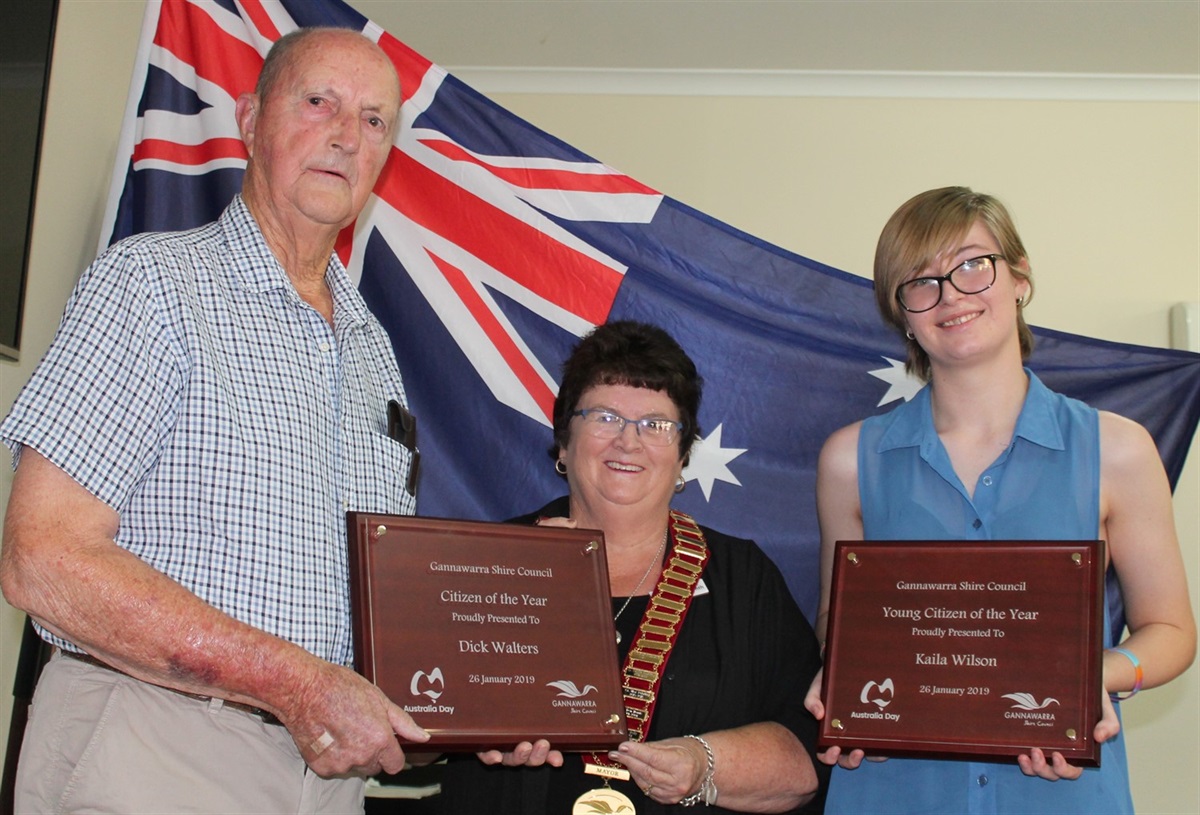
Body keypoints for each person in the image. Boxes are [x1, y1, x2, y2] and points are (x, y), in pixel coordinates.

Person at [0, 27, 429, 813]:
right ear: (250, 117)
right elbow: (43, 558)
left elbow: (378, 609)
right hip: (151, 745)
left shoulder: (375, 351)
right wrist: (295, 683)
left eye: (373, 120)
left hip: (326, 779)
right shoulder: (153, 285)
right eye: (318, 102)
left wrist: (486, 705)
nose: (345, 135)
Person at [804, 186, 1196, 814]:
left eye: (972, 265)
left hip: (1064, 789)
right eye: (920, 281)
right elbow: (837, 622)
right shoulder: (850, 460)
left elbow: (1172, 632)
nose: (951, 295)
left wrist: (1088, 679)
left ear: (1019, 278)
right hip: (895, 788)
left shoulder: (1118, 450)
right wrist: (849, 689)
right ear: (901, 313)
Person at [438, 320, 826, 814]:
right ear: (563, 442)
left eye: (657, 424)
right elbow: (416, 711)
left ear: (683, 453)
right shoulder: (486, 561)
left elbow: (806, 758)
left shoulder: (743, 578)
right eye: (604, 417)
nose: (629, 441)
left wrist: (704, 763)